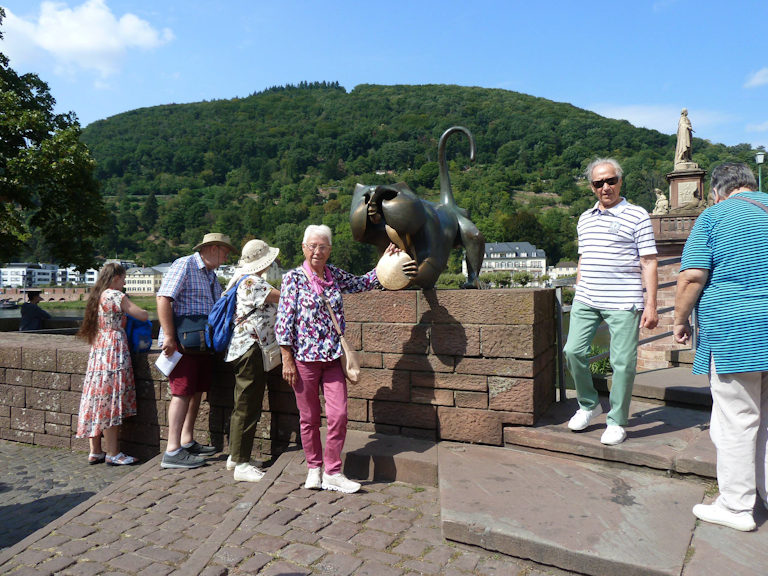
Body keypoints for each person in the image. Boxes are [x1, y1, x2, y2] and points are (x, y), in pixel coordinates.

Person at [275, 224, 414, 493]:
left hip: (333, 358)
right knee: (309, 419)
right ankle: (314, 468)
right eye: (313, 246)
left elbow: (364, 282)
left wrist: (388, 259)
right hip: (304, 358)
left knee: (338, 415)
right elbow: (284, 319)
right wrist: (286, 358)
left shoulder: (334, 275)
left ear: (330, 249)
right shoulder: (293, 278)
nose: (317, 251)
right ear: (304, 248)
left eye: (323, 246)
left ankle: (333, 471)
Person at [673, 162, 768, 532]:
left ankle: (736, 506)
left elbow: (693, 276)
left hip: (738, 331)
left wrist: (680, 321)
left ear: (716, 192)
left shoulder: (713, 217)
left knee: (737, 418)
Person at [563, 158, 658, 445]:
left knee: (623, 363)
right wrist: (580, 285)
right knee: (572, 352)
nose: (606, 187)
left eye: (610, 181)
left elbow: (649, 261)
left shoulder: (638, 215)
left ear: (620, 181)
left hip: (624, 301)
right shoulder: (584, 218)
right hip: (587, 298)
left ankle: (617, 420)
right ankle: (588, 405)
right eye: (598, 183)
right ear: (592, 187)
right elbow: (584, 256)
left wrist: (651, 304)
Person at [157, 232, 235, 469]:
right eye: (225, 252)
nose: (226, 257)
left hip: (200, 343)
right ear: (212, 248)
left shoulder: (211, 274)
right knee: (181, 391)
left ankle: (186, 440)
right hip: (182, 341)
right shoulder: (185, 264)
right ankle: (172, 450)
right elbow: (164, 298)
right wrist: (169, 336)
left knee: (197, 390)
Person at [75, 263, 149, 465]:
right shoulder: (115, 295)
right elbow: (141, 314)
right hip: (114, 349)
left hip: (99, 348)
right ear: (116, 277)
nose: (125, 282)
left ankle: (95, 451)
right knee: (111, 398)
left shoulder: (97, 296)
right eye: (124, 278)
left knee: (97, 396)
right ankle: (114, 453)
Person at [223, 239, 281, 482]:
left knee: (242, 404)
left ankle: (236, 456)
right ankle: (242, 464)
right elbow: (283, 296)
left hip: (242, 349)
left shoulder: (239, 279)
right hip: (250, 349)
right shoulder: (252, 282)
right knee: (248, 405)